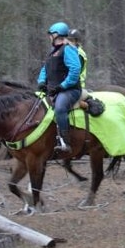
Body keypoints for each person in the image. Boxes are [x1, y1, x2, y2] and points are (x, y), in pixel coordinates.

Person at [37, 22, 82, 152]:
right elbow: (45, 69)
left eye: (51, 35)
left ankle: (65, 142)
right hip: (53, 89)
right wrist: (41, 81)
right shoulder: (52, 51)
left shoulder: (68, 49)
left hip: (70, 90)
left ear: (57, 35)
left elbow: (75, 70)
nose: (49, 37)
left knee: (60, 108)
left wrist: (62, 86)